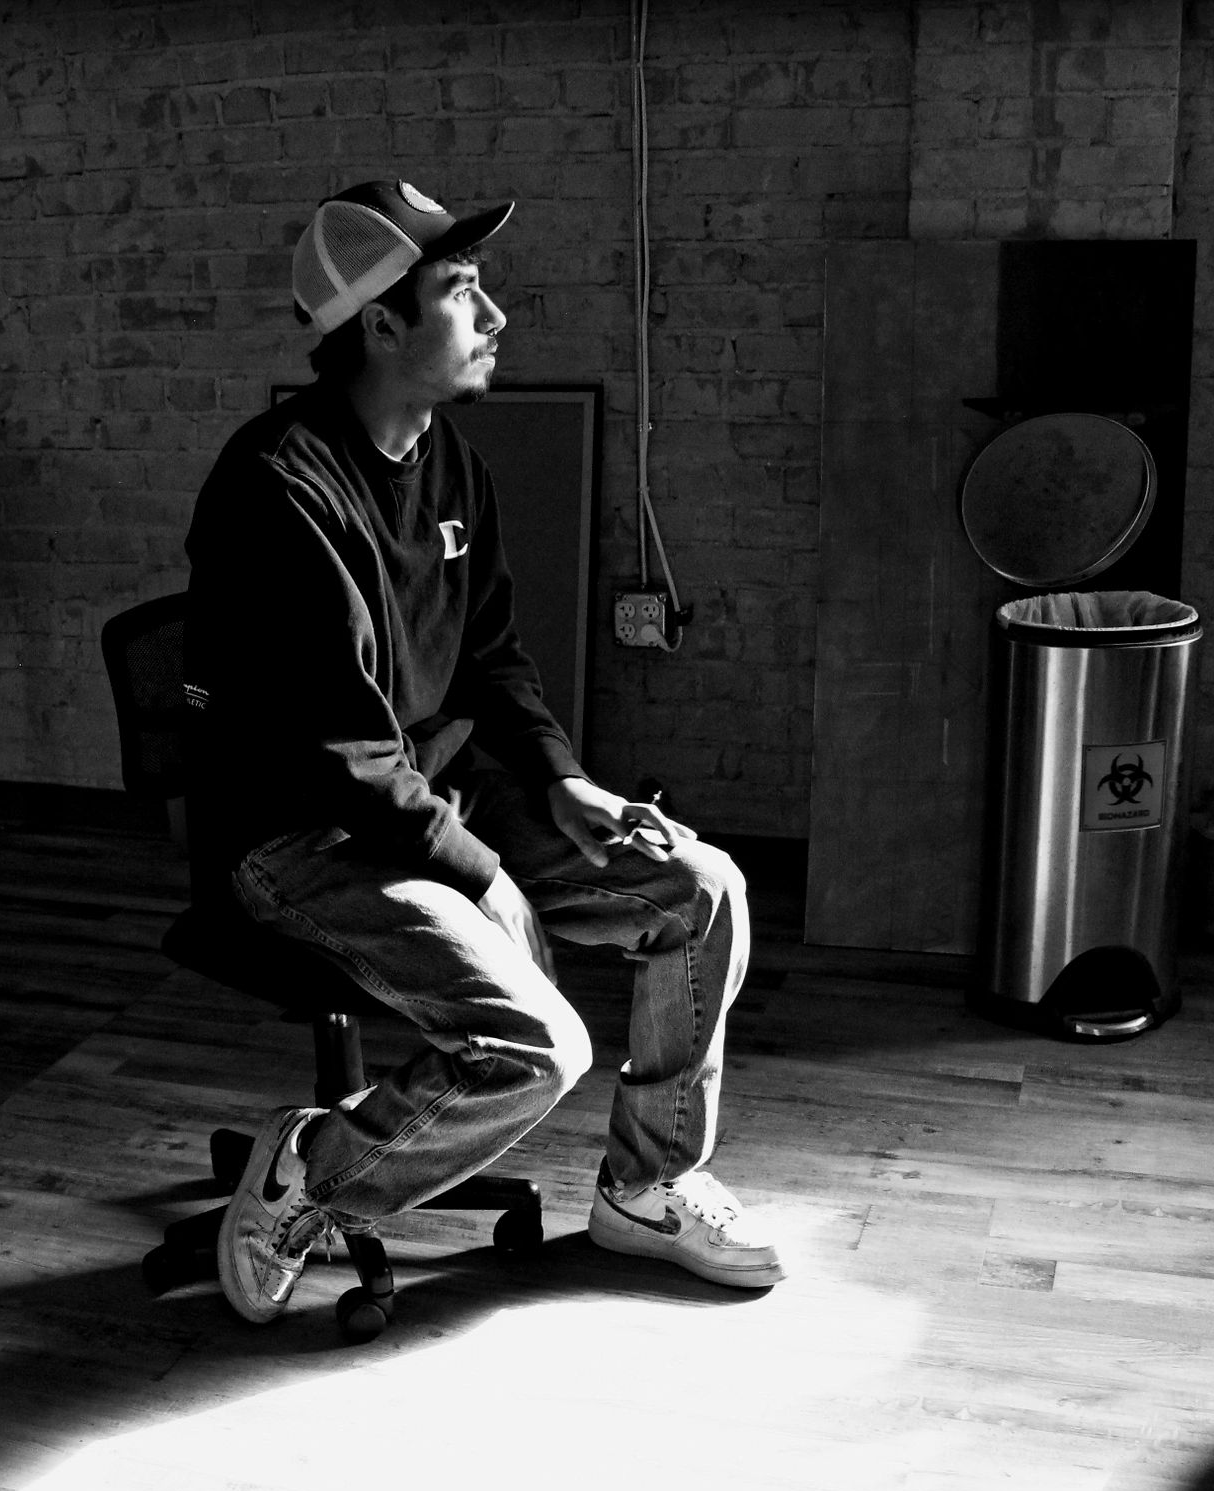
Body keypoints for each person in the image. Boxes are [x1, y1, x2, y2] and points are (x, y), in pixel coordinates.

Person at [181, 179, 780, 1326]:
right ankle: (312, 1169)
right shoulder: (277, 491)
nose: (494, 313)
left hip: (424, 796)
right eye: (460, 288)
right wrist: (483, 870)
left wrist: (566, 788)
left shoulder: (450, 461)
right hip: (302, 831)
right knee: (535, 1046)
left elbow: (492, 658)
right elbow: (337, 749)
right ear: (382, 324)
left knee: (701, 888)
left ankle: (646, 1183)